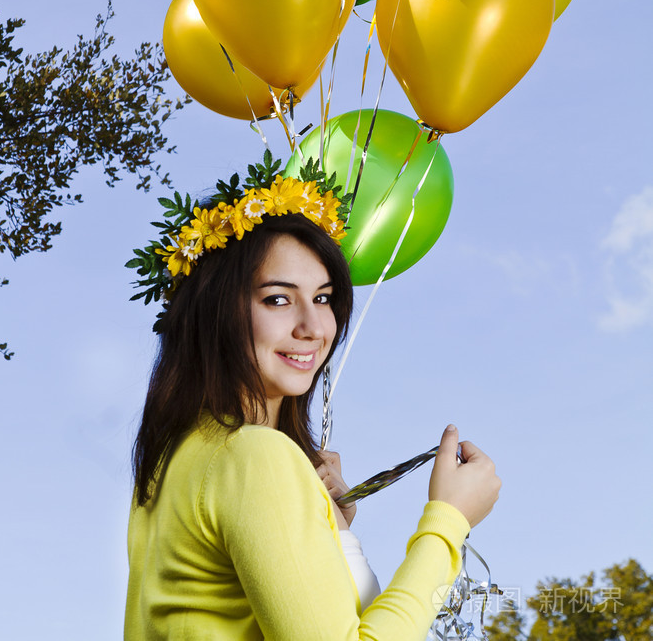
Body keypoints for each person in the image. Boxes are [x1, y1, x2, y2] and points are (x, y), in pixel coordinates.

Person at [124, 159, 501, 641]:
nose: (312, 327)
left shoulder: (166, 468)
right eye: (277, 299)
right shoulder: (255, 455)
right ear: (216, 311)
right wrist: (447, 522)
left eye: (323, 298)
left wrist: (329, 529)